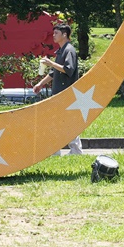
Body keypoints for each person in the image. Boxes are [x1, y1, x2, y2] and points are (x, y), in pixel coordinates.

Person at [33, 24, 82, 154]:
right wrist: (40, 84)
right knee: (57, 122)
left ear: (64, 34)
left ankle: (75, 151)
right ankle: (57, 151)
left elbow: (68, 70)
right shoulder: (60, 51)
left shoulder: (69, 50)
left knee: (66, 122)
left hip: (66, 94)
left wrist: (51, 63)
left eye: (56, 33)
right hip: (59, 94)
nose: (53, 35)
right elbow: (54, 72)